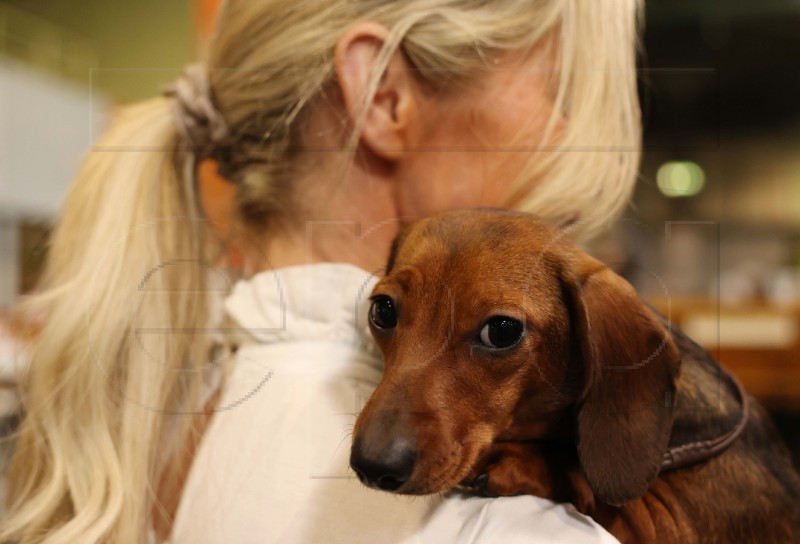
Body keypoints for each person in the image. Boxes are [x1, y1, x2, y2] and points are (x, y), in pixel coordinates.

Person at [1, 0, 642, 542]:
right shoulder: (506, 525)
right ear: (385, 97)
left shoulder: (168, 413)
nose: (567, 130)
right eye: (559, 89)